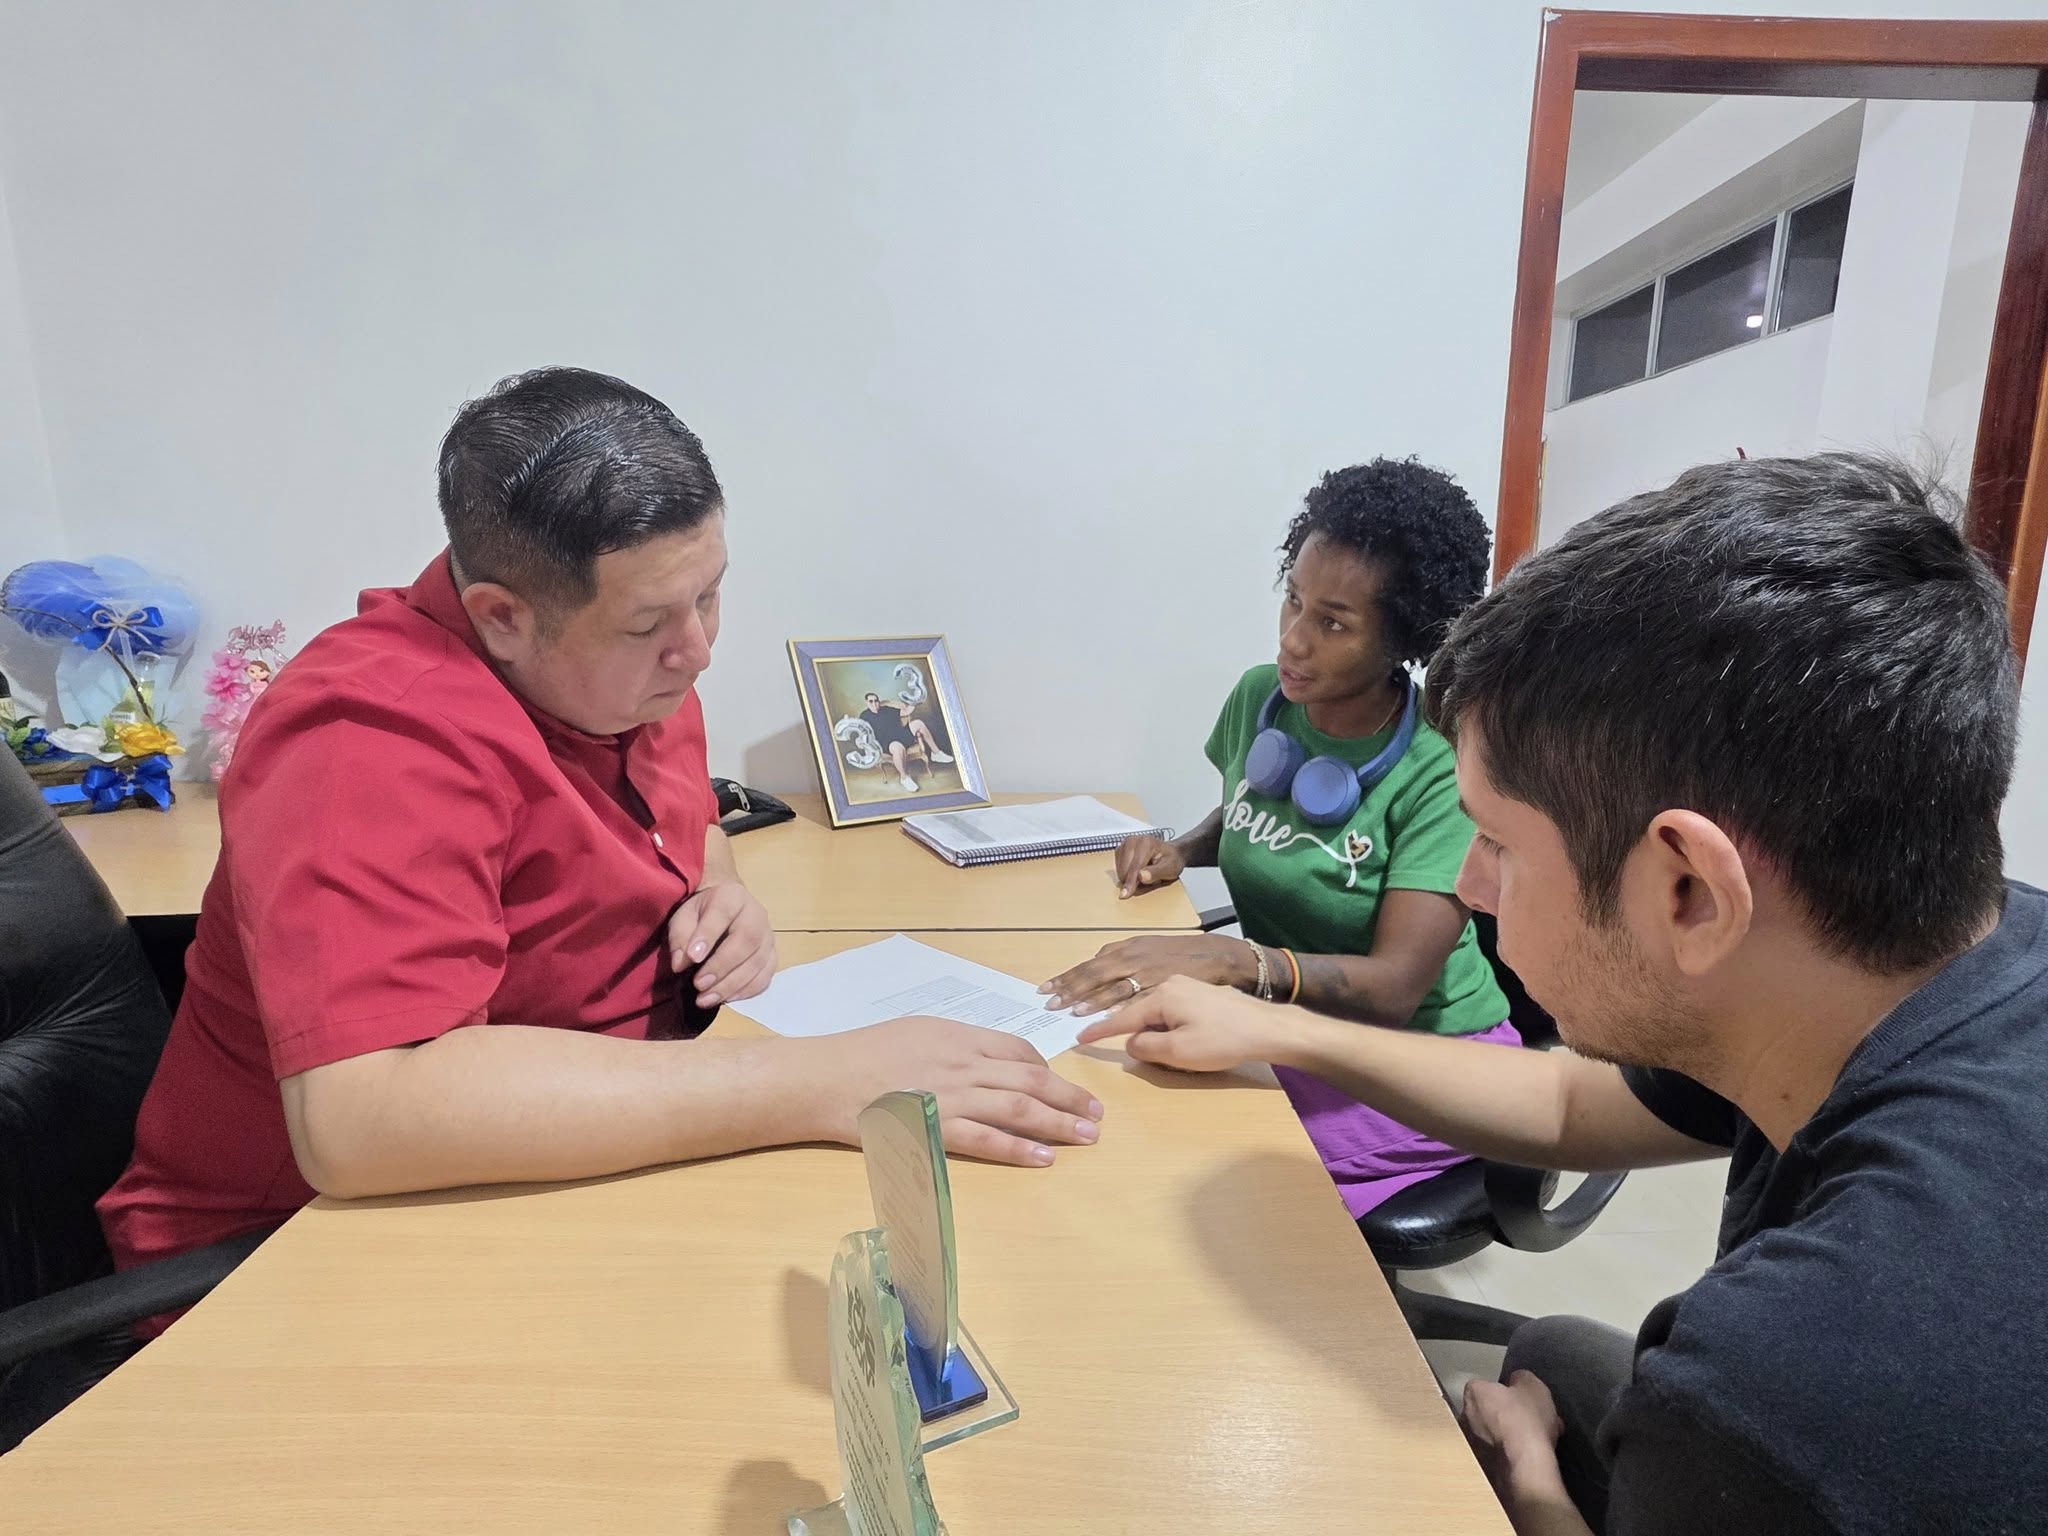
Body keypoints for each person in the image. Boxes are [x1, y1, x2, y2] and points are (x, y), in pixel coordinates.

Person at [1081, 452, 2046, 1535]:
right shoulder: (1935, 947)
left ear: (1689, 891)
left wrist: (1531, 1479)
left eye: (1496, 843)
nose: (1467, 886)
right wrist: (1275, 1028)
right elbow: (1566, 1102)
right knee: (1552, 1349)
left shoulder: (1778, 1385)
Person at [99, 368, 1100, 1304]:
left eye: (710, 594)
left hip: (581, 1162)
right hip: (297, 1262)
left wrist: (722, 889)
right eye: (650, 622)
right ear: (502, 616)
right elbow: (362, 1120)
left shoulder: (618, 673)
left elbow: (687, 820)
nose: (697, 651)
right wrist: (824, 1078)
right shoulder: (367, 737)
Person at [1042, 458, 1513, 1217]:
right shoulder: (1262, 697)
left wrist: (1233, 961)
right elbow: (1253, 812)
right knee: (1117, 1076)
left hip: (1428, 1062)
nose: (1293, 640)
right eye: (1293, 599)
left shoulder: (1441, 765)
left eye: (1333, 623)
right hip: (1292, 1027)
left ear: (1400, 636)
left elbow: (1394, 988)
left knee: (1196, 1163)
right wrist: (1183, 849)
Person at [861, 689, 952, 793]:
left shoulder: (886, 709)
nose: (874, 703)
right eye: (871, 701)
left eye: (876, 700)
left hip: (901, 734)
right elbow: (863, 733)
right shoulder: (864, 716)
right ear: (866, 702)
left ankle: (936, 753)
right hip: (887, 742)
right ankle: (904, 778)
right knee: (897, 748)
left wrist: (915, 700)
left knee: (918, 723)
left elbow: (906, 711)